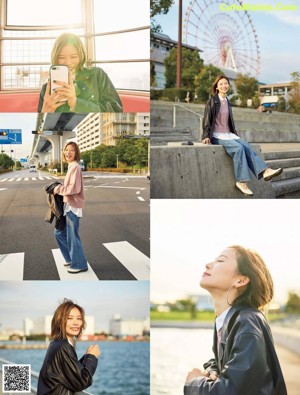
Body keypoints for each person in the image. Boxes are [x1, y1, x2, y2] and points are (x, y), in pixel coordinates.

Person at [184, 245, 287, 395]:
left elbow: (232, 391)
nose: (208, 264)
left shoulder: (247, 322)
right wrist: (212, 369)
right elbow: (232, 364)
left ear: (241, 280)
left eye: (220, 260)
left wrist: (194, 382)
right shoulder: (228, 320)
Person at [202, 75, 282, 196]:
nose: (224, 86)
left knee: (246, 146)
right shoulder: (213, 101)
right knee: (238, 149)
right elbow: (207, 119)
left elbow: (229, 121)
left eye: (226, 83)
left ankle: (264, 171)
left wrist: (234, 135)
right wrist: (206, 135)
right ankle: (241, 182)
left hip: (229, 135)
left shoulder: (227, 102)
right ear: (217, 87)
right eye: (221, 84)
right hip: (217, 136)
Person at [38, 33, 123, 113]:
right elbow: (41, 125)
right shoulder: (47, 88)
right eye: (61, 57)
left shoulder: (97, 75)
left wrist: (76, 103)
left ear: (81, 55)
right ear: (55, 57)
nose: (68, 62)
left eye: (73, 56)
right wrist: (44, 112)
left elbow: (116, 109)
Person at [37, 299, 100, 394]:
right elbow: (82, 381)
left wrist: (86, 357)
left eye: (79, 318)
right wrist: (91, 357)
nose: (76, 323)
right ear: (59, 320)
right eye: (70, 318)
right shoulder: (63, 346)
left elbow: (69, 370)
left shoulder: (56, 343)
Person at [53, 142, 88, 274]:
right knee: (59, 233)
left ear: (76, 153)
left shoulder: (75, 167)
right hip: (68, 205)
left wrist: (57, 188)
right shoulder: (71, 166)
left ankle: (79, 264)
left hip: (73, 206)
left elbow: (74, 189)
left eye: (72, 150)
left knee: (73, 236)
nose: (68, 153)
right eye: (66, 150)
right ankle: (71, 258)